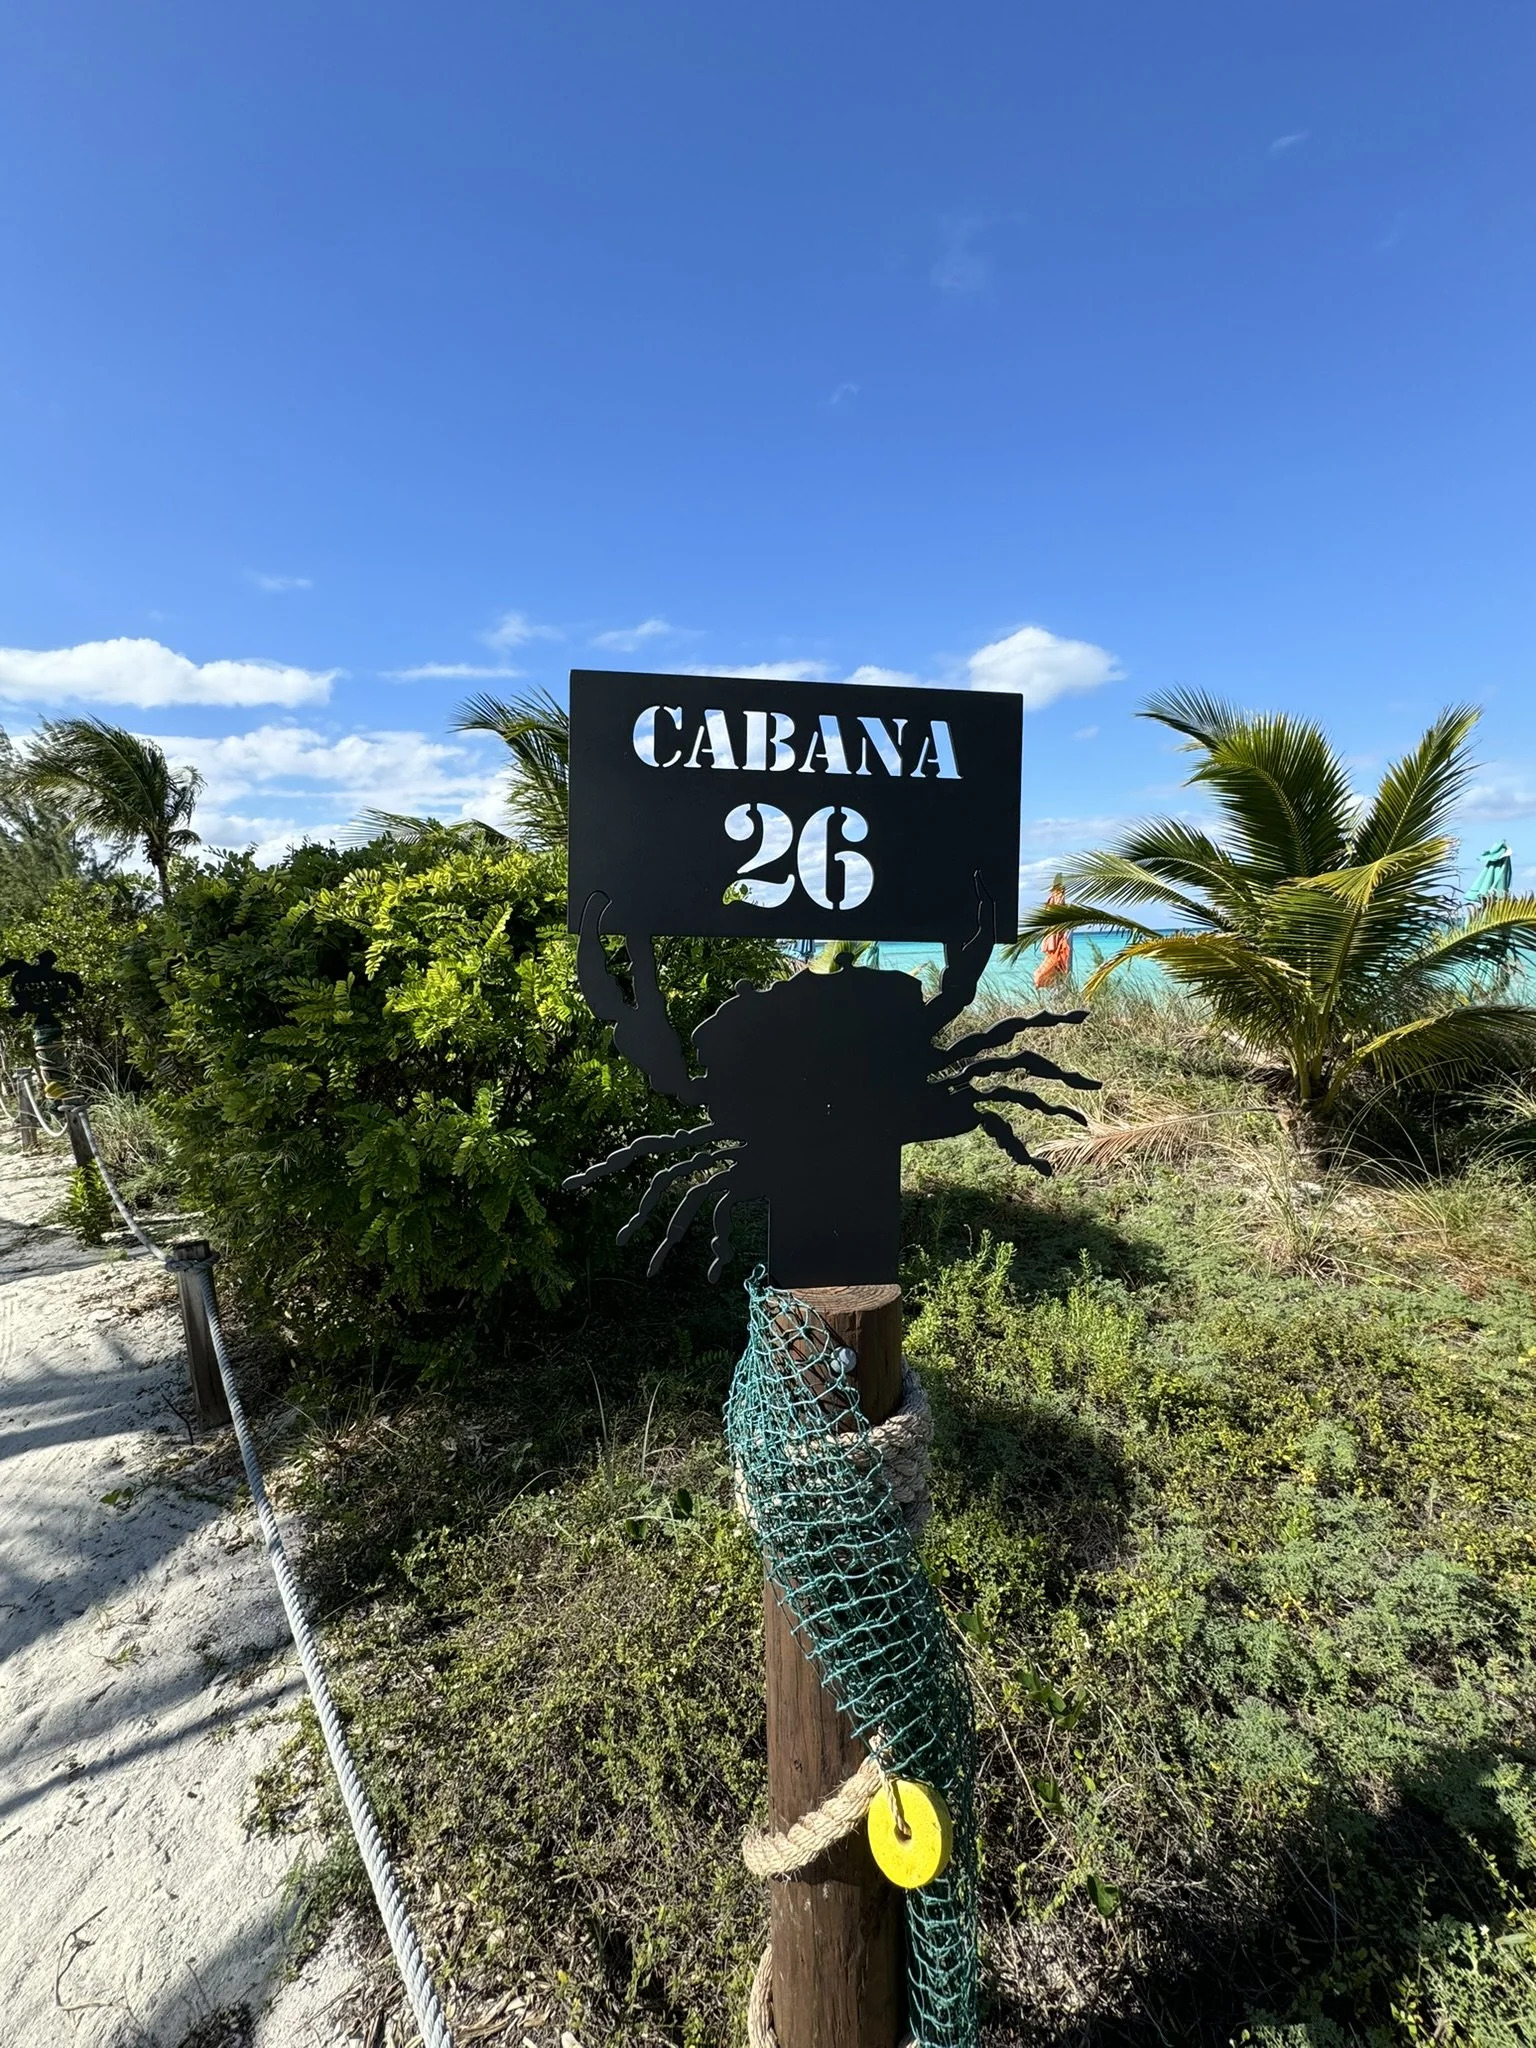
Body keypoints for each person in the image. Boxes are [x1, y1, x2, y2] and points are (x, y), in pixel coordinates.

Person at [1033, 876, 1073, 991]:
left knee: (1051, 969)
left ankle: (1052, 985)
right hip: (1057, 943)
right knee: (1050, 970)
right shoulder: (1054, 903)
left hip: (1058, 942)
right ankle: (1050, 984)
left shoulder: (1054, 903)